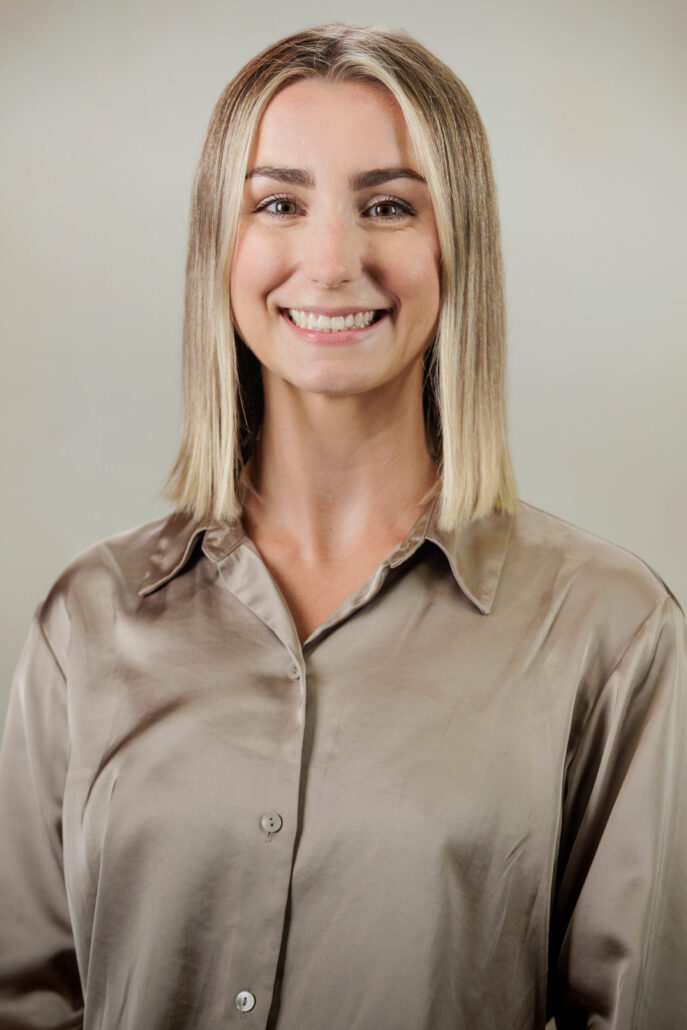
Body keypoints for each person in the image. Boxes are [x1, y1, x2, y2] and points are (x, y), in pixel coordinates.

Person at [0, 21, 685, 1030]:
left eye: (389, 205)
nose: (332, 259)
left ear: (460, 246)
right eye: (278, 202)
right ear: (219, 246)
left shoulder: (609, 632)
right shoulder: (87, 621)